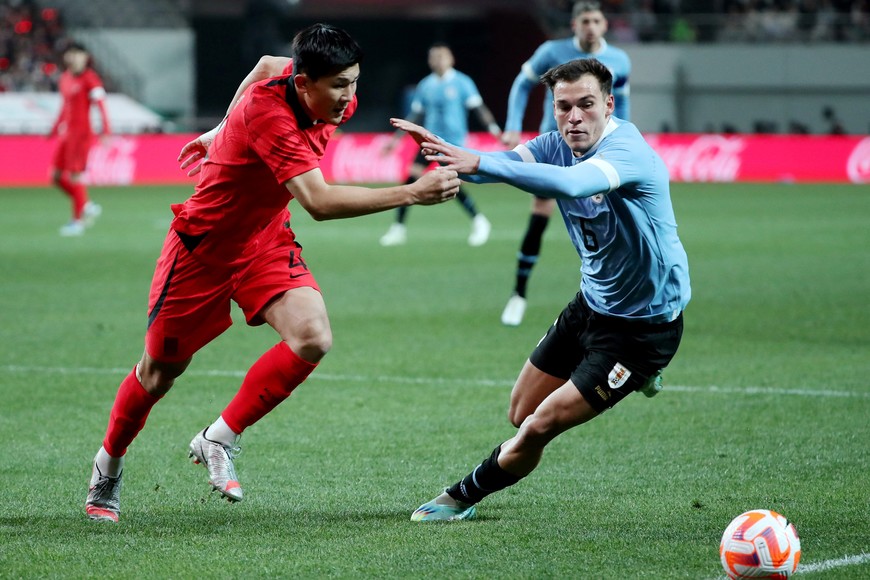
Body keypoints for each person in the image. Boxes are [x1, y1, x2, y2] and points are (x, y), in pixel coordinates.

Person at [84, 23, 460, 523]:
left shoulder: (304, 79)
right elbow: (320, 202)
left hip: (264, 239)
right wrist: (411, 192)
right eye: (339, 86)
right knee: (158, 374)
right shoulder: (271, 116)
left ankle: (220, 436)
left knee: (313, 337)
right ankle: (107, 466)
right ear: (304, 84)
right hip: (204, 250)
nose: (349, 98)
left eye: (354, 82)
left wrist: (219, 130)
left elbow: (264, 63)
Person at [391, 57, 690, 521]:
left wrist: (481, 161)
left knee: (536, 427)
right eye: (563, 106)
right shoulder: (555, 145)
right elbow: (497, 167)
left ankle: (461, 497)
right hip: (592, 304)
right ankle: (638, 380)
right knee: (519, 410)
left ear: (609, 105)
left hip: (642, 331)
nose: (574, 117)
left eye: (586, 105)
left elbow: (572, 183)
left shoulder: (626, 152)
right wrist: (446, 152)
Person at [500, 1, 631, 325]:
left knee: (614, 223)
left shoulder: (619, 60)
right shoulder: (552, 51)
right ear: (574, 25)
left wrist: (626, 141)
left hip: (601, 154)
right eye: (584, 20)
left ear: (604, 25)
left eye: (596, 20)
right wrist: (513, 124)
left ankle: (612, 297)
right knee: (540, 217)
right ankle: (518, 294)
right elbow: (521, 83)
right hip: (557, 152)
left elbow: (623, 103)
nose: (590, 26)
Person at [379, 42, 501, 247]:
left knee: (452, 183)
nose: (437, 60)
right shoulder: (426, 85)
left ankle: (479, 221)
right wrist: (395, 139)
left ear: (450, 59)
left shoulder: (462, 82)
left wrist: (496, 131)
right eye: (434, 57)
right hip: (429, 140)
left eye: (441, 56)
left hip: (453, 143)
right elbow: (415, 115)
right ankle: (398, 229)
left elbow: (479, 109)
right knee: (411, 179)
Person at [48, 42, 110, 237]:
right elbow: (64, 107)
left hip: (81, 134)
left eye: (78, 54)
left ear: (85, 57)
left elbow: (100, 104)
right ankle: (85, 203)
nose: (74, 57)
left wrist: (106, 129)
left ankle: (78, 222)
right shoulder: (65, 78)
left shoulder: (90, 78)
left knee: (75, 176)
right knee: (55, 177)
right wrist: (54, 128)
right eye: (71, 54)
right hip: (66, 135)